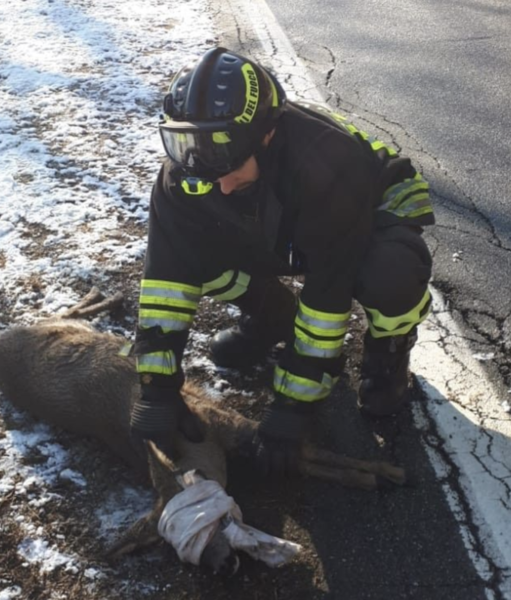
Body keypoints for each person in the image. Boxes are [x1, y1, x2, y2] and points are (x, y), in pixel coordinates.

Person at [129, 47, 434, 476]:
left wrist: (293, 407)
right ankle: (272, 316)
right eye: (206, 170)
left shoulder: (326, 162)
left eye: (231, 168)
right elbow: (166, 279)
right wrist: (156, 389)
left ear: (267, 136)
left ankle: (390, 352)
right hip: (281, 219)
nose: (221, 186)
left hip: (367, 209)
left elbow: (327, 298)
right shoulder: (191, 172)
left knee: (389, 274)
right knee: (193, 253)